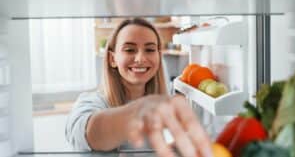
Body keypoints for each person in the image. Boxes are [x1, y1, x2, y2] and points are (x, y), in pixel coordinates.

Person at [65, 18, 213, 157]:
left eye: (149, 50)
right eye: (129, 50)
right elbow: (87, 133)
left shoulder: (170, 99)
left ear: (158, 56)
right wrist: (138, 112)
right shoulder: (91, 102)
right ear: (112, 59)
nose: (141, 59)